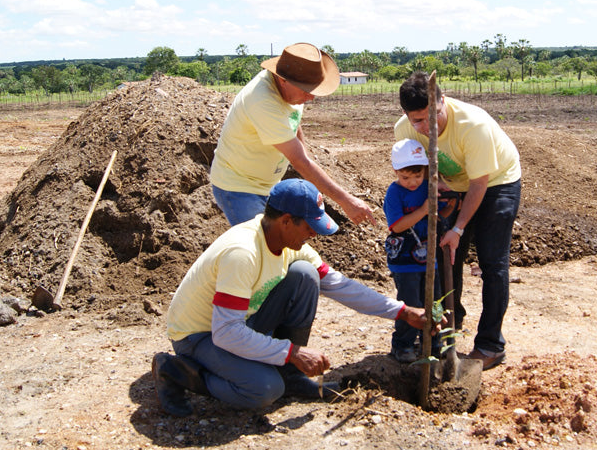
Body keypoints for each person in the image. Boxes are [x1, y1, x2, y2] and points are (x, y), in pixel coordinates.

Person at [152, 178, 433, 416]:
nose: (314, 234)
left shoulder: (287, 242)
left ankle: (290, 374)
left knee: (306, 275)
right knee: (264, 390)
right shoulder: (243, 253)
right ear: (286, 220)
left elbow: (340, 285)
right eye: (309, 226)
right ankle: (179, 372)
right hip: (199, 335)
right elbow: (225, 333)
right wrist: (292, 352)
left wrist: (403, 311)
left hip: (238, 322)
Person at [394, 71, 521, 371]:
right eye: (418, 121)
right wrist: (434, 185)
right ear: (406, 116)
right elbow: (416, 171)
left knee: (491, 263)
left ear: (443, 100)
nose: (428, 127)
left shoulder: (472, 126)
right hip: (452, 186)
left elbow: (479, 184)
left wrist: (459, 228)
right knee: (445, 258)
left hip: (495, 184)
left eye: (433, 116)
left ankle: (490, 344)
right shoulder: (404, 130)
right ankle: (449, 329)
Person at [210, 42, 376, 227]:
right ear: (283, 80)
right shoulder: (262, 101)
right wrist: (346, 200)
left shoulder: (292, 89)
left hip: (267, 185)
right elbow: (300, 162)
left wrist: (308, 162)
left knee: (280, 241)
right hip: (238, 187)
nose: (311, 97)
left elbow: (294, 123)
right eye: (307, 91)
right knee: (263, 245)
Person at [383, 139, 455, 363]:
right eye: (405, 177)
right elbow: (397, 226)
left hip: (429, 257)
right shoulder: (395, 193)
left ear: (425, 170)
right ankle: (403, 344)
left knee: (434, 300)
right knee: (410, 302)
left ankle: (432, 342)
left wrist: (451, 203)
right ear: (396, 171)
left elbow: (441, 212)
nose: (412, 182)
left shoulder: (428, 187)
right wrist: (424, 210)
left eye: (417, 176)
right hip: (404, 260)